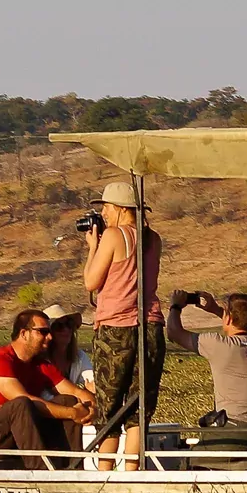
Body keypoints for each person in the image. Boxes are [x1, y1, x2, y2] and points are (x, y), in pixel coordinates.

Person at [83, 182, 165, 471]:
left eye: (105, 207)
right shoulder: (153, 238)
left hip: (116, 329)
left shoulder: (114, 236)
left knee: (108, 406)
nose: (102, 213)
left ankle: (105, 474)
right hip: (150, 327)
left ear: (118, 209)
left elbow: (91, 282)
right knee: (138, 408)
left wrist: (93, 248)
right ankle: (131, 474)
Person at [0, 310, 97, 469]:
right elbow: (24, 399)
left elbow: (75, 392)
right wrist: (72, 413)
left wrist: (92, 408)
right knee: (20, 404)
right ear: (24, 333)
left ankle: (71, 468)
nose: (50, 337)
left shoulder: (40, 365)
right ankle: (40, 471)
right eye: (43, 332)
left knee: (67, 400)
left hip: (17, 436)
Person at [167, 290, 247, 469]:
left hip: (234, 432)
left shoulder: (218, 344)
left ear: (229, 319)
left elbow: (173, 333)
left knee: (183, 465)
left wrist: (175, 306)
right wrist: (217, 310)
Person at [42, 304, 95, 450]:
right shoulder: (41, 360)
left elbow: (91, 381)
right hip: (46, 413)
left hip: (72, 411)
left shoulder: (79, 356)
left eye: (69, 324)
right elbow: (44, 396)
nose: (66, 329)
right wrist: (80, 400)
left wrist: (92, 399)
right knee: (69, 400)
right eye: (59, 325)